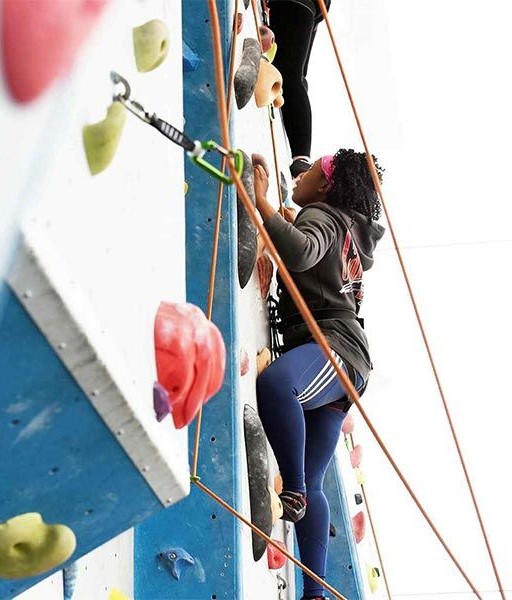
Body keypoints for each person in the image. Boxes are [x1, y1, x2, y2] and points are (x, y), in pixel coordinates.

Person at [252, 149, 385, 600]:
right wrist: (289, 217)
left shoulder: (323, 215)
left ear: (326, 187)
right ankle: (315, 594)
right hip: (345, 365)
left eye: (309, 172)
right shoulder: (347, 230)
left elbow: (303, 251)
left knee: (276, 385)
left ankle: (294, 491)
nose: (302, 175)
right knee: (315, 474)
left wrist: (261, 201)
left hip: (332, 350)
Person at [267, 0, 332, 178]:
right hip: (310, 8)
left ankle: (301, 158)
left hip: (300, 4)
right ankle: (301, 157)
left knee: (289, 76)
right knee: (294, 76)